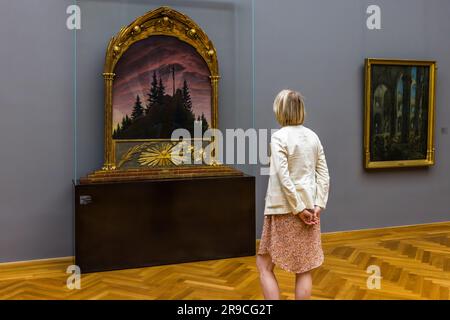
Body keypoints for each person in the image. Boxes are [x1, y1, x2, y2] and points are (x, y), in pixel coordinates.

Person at [256, 89, 330, 300]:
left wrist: (298, 209)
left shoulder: (279, 137)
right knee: (304, 268)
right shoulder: (313, 137)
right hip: (310, 210)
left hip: (283, 210)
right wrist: (318, 205)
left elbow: (283, 177)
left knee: (264, 265)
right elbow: (323, 174)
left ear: (280, 110)